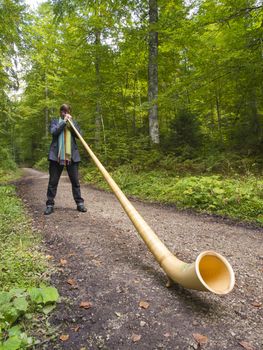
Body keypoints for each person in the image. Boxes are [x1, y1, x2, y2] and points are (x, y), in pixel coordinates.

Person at [44, 104, 87, 215]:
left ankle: (79, 204)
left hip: (71, 156)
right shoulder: (55, 122)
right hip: (56, 157)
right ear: (60, 112)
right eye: (62, 110)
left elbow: (80, 135)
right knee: (53, 182)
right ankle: (50, 204)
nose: (64, 112)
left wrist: (71, 124)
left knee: (75, 181)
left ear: (69, 112)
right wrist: (63, 122)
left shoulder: (73, 123)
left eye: (66, 111)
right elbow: (54, 132)